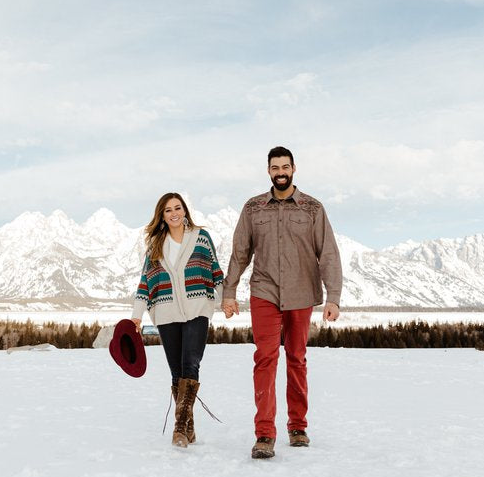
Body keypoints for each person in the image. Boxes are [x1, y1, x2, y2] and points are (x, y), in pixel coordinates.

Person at [222, 147, 342, 459]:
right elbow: (239, 252)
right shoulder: (253, 208)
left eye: (285, 167)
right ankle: (264, 433)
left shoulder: (312, 208)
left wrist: (333, 297)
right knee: (265, 358)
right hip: (264, 291)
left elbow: (328, 253)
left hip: (301, 292)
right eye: (275, 167)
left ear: (293, 168)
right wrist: (229, 292)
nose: (280, 172)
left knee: (296, 358)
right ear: (268, 171)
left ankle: (298, 426)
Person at [132, 193, 224, 448]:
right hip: (166, 312)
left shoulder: (201, 237)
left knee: (190, 363)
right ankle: (189, 428)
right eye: (168, 210)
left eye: (177, 208)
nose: (174, 213)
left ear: (185, 211)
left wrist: (226, 299)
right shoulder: (155, 246)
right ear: (162, 216)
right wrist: (136, 316)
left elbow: (215, 271)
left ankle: (180, 428)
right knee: (176, 372)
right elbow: (145, 282)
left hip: (198, 308)